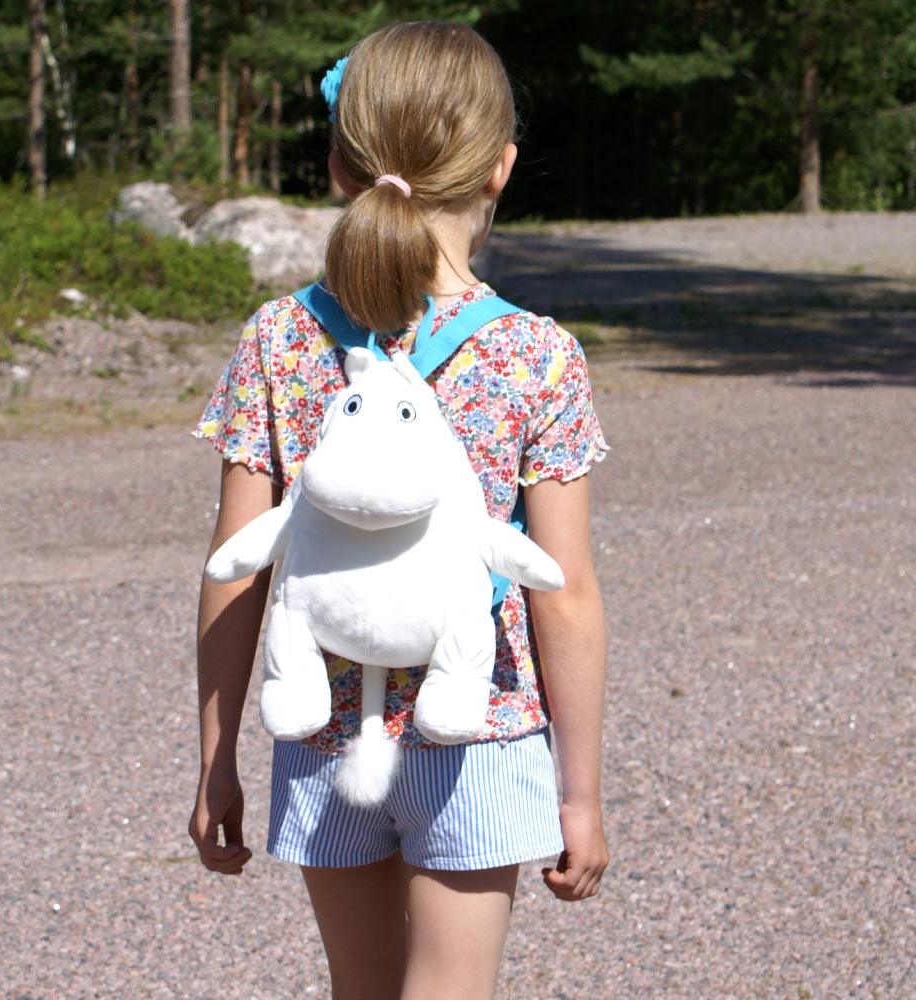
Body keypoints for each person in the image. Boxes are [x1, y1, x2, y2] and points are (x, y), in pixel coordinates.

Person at [188, 20, 610, 1000]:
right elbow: (565, 593)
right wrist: (579, 793)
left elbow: (234, 567)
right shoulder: (536, 355)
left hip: (322, 731)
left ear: (338, 164)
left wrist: (214, 760)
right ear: (499, 168)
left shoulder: (279, 339)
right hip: (481, 728)